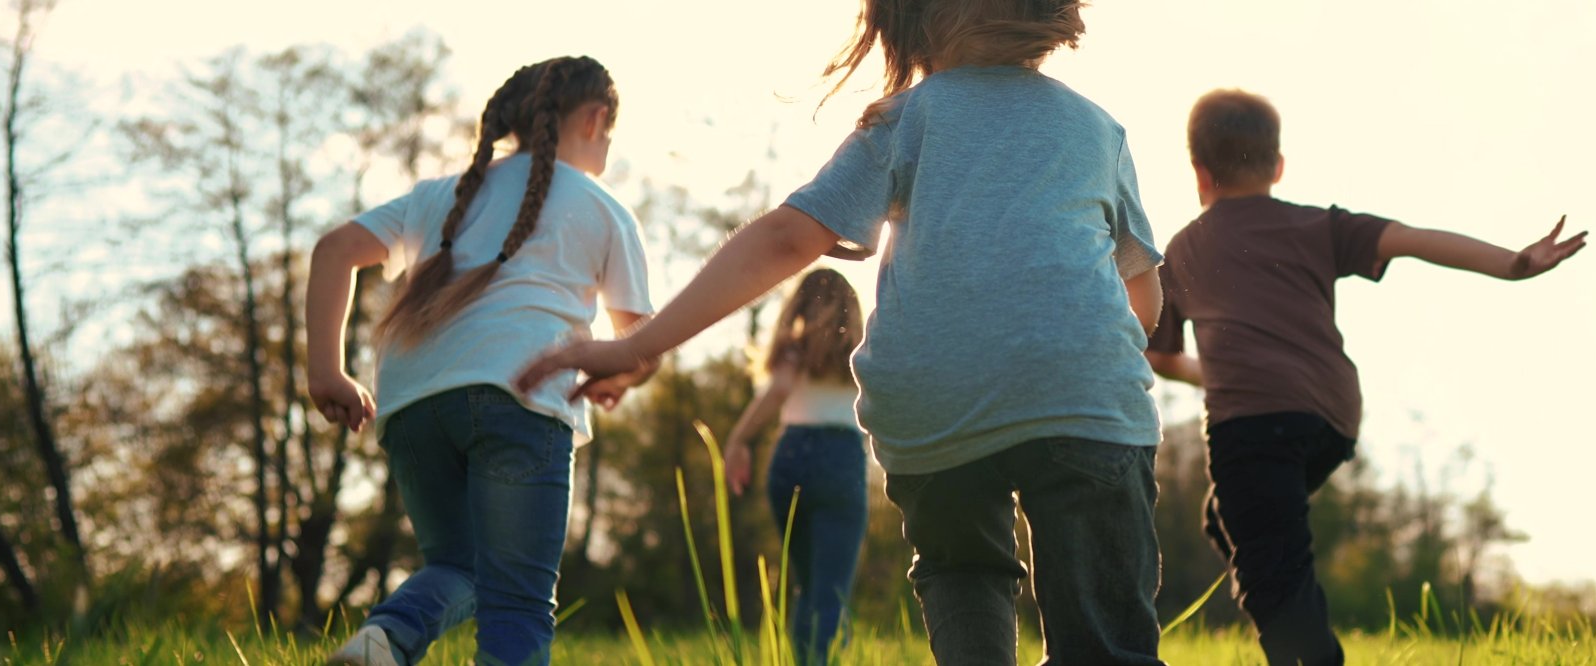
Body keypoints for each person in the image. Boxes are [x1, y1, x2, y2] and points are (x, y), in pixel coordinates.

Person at [512, 0, 1169, 661]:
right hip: (1084, 396)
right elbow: (1144, 298)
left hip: (935, 410)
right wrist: (1052, 348)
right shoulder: (1095, 128)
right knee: (1105, 642)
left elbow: (784, 239)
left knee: (965, 573)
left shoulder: (907, 117)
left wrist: (636, 344)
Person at [1145, 88, 1590, 665]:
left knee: (1274, 574)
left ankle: (1303, 641)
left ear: (1198, 172)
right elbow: (1413, 239)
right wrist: (1512, 263)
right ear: (1278, 166)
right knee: (1230, 522)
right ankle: (1278, 583)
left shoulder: (1181, 251)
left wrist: (1225, 373)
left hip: (1252, 429)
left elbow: (1158, 356)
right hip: (1330, 419)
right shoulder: (1317, 226)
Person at [307, 56, 655, 666]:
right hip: (519, 397)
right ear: (597, 119)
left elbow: (335, 250)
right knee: (517, 602)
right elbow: (641, 343)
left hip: (411, 404)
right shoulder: (604, 209)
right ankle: (386, 639)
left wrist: (326, 372)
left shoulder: (441, 196)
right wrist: (615, 370)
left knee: (459, 565)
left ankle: (384, 639)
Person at [722, 268, 869, 665]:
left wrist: (739, 440)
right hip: (840, 457)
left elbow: (781, 389)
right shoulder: (862, 352)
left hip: (790, 458)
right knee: (831, 589)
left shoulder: (791, 349)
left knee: (807, 586)